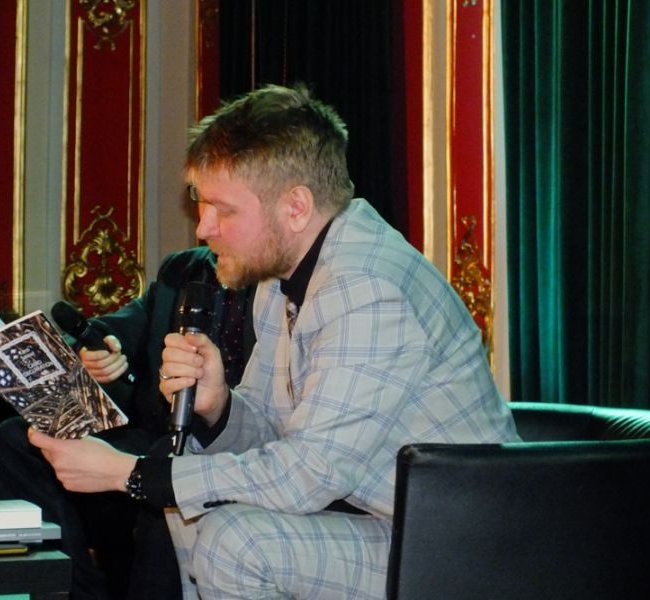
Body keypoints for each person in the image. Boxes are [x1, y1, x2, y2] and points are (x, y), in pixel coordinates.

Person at [29, 83, 521, 599]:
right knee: (194, 509)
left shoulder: (367, 288)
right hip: (383, 521)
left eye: (223, 209)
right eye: (201, 203)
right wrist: (220, 407)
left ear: (296, 207)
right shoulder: (278, 280)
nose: (203, 228)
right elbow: (270, 432)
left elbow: (306, 475)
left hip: (462, 551)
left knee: (233, 539)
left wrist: (129, 474)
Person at [0, 246, 256, 600]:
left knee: (166, 458)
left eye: (219, 214)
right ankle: (74, 591)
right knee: (13, 439)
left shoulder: (272, 278)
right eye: (201, 213)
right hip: (153, 433)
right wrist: (95, 351)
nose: (206, 227)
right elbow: (119, 330)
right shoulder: (183, 268)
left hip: (221, 446)